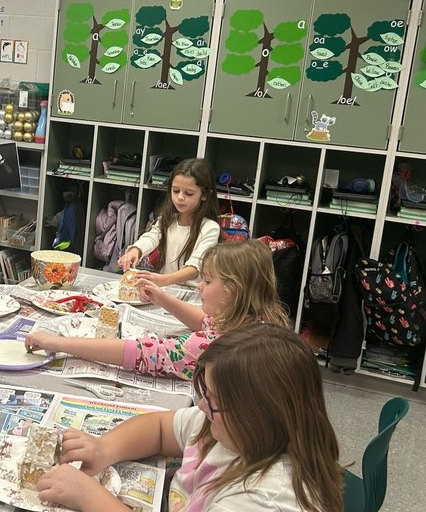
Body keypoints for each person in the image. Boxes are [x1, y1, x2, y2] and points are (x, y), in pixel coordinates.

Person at [36, 325, 345, 512]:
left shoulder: (276, 498)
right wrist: (104, 448)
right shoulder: (229, 427)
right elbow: (159, 428)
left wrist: (90, 495)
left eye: (213, 402)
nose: (202, 406)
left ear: (258, 416)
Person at [25, 240, 290, 380]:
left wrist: (58, 342)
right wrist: (161, 298)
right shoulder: (256, 320)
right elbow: (205, 321)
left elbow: (134, 352)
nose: (199, 286)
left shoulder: (212, 348)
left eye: (207, 281)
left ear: (234, 290)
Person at [117, 157, 220, 287]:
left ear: (205, 195)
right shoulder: (168, 219)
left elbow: (195, 267)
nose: (180, 197)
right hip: (165, 289)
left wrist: (163, 279)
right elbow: (151, 237)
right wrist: (135, 250)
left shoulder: (210, 228)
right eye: (175, 191)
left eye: (189, 193)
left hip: (191, 294)